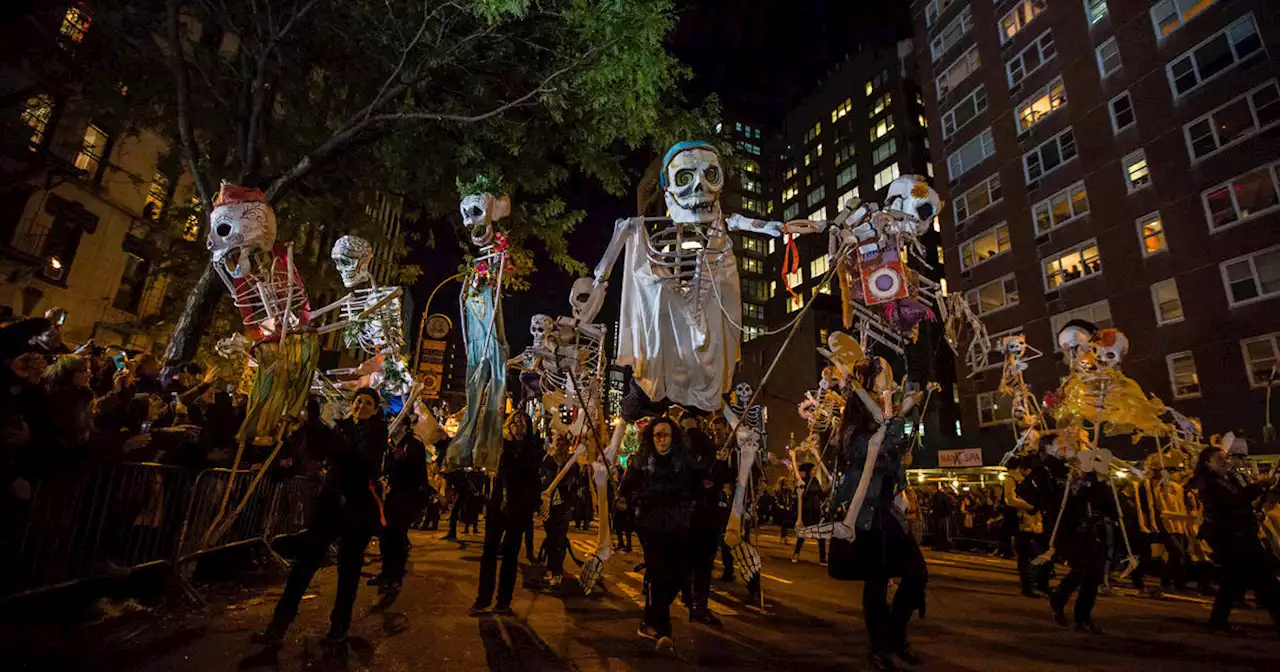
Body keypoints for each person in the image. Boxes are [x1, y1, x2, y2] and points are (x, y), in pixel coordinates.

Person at [253, 388, 387, 647]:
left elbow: (358, 459)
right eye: (359, 400)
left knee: (348, 570)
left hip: (356, 508)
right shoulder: (340, 428)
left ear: (375, 409)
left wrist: (328, 435)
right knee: (304, 564)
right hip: (329, 504)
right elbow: (317, 451)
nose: (361, 405)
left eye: (368, 403)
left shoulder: (376, 433)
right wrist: (312, 422)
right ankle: (278, 626)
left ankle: (339, 628)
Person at [827, 371, 927, 671]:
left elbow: (895, 460)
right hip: (866, 515)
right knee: (877, 583)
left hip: (887, 511)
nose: (887, 381)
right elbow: (876, 454)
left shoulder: (881, 423)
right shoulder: (854, 429)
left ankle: (895, 635)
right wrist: (898, 414)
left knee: (916, 575)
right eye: (880, 376)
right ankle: (880, 646)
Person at [621, 416, 695, 652]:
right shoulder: (641, 462)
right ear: (651, 437)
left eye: (666, 435)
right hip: (650, 526)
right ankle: (664, 632)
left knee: (678, 576)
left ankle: (649, 618)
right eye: (658, 435)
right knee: (658, 572)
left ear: (674, 438)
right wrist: (630, 501)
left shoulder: (682, 463)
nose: (662, 439)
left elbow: (697, 482)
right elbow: (626, 488)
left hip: (677, 525)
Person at [1188, 445, 1280, 633]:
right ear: (1208, 464)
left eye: (1226, 458)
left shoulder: (1229, 480)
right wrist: (1259, 485)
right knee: (1265, 578)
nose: (1226, 462)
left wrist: (1254, 511)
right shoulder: (1209, 484)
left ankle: (1217, 621)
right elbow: (1234, 501)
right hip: (1231, 539)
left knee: (1236, 581)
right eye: (1220, 459)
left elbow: (1242, 503)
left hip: (1241, 536)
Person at [471, 410, 543, 616]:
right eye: (515, 421)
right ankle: (483, 599)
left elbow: (535, 478)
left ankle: (503, 601)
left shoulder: (533, 449)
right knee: (489, 553)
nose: (519, 425)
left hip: (519, 508)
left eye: (523, 422)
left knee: (511, 555)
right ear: (509, 425)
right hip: (497, 506)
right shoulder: (500, 446)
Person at [681, 414, 731, 625]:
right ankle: (697, 604)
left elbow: (721, 478)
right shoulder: (688, 447)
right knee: (699, 564)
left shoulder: (698, 447)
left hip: (699, 514)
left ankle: (694, 602)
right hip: (697, 514)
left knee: (695, 563)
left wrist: (719, 467)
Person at [374, 417, 430, 597]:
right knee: (385, 535)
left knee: (397, 536)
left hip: (408, 495)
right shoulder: (390, 445)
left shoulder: (414, 445)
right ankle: (385, 572)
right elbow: (387, 469)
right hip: (392, 494)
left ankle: (395, 577)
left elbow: (419, 472)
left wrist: (403, 459)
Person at [539, 434, 578, 589]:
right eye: (558, 441)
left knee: (559, 539)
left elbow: (576, 484)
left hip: (564, 505)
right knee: (550, 538)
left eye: (563, 442)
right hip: (548, 504)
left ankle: (557, 571)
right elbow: (541, 478)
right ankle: (550, 568)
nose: (560, 444)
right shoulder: (548, 460)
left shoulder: (572, 462)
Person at [1006, 458, 1049, 597]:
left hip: (1032, 522)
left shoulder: (1030, 481)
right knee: (1028, 555)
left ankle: (1034, 585)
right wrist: (1030, 507)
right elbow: (1010, 500)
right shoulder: (1013, 480)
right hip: (1022, 523)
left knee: (1032, 555)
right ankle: (1030, 585)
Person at [792, 463, 827, 565]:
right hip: (806, 511)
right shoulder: (801, 482)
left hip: (815, 511)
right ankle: (796, 553)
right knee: (803, 534)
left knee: (820, 535)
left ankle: (822, 558)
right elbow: (797, 495)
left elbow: (821, 494)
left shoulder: (814, 481)